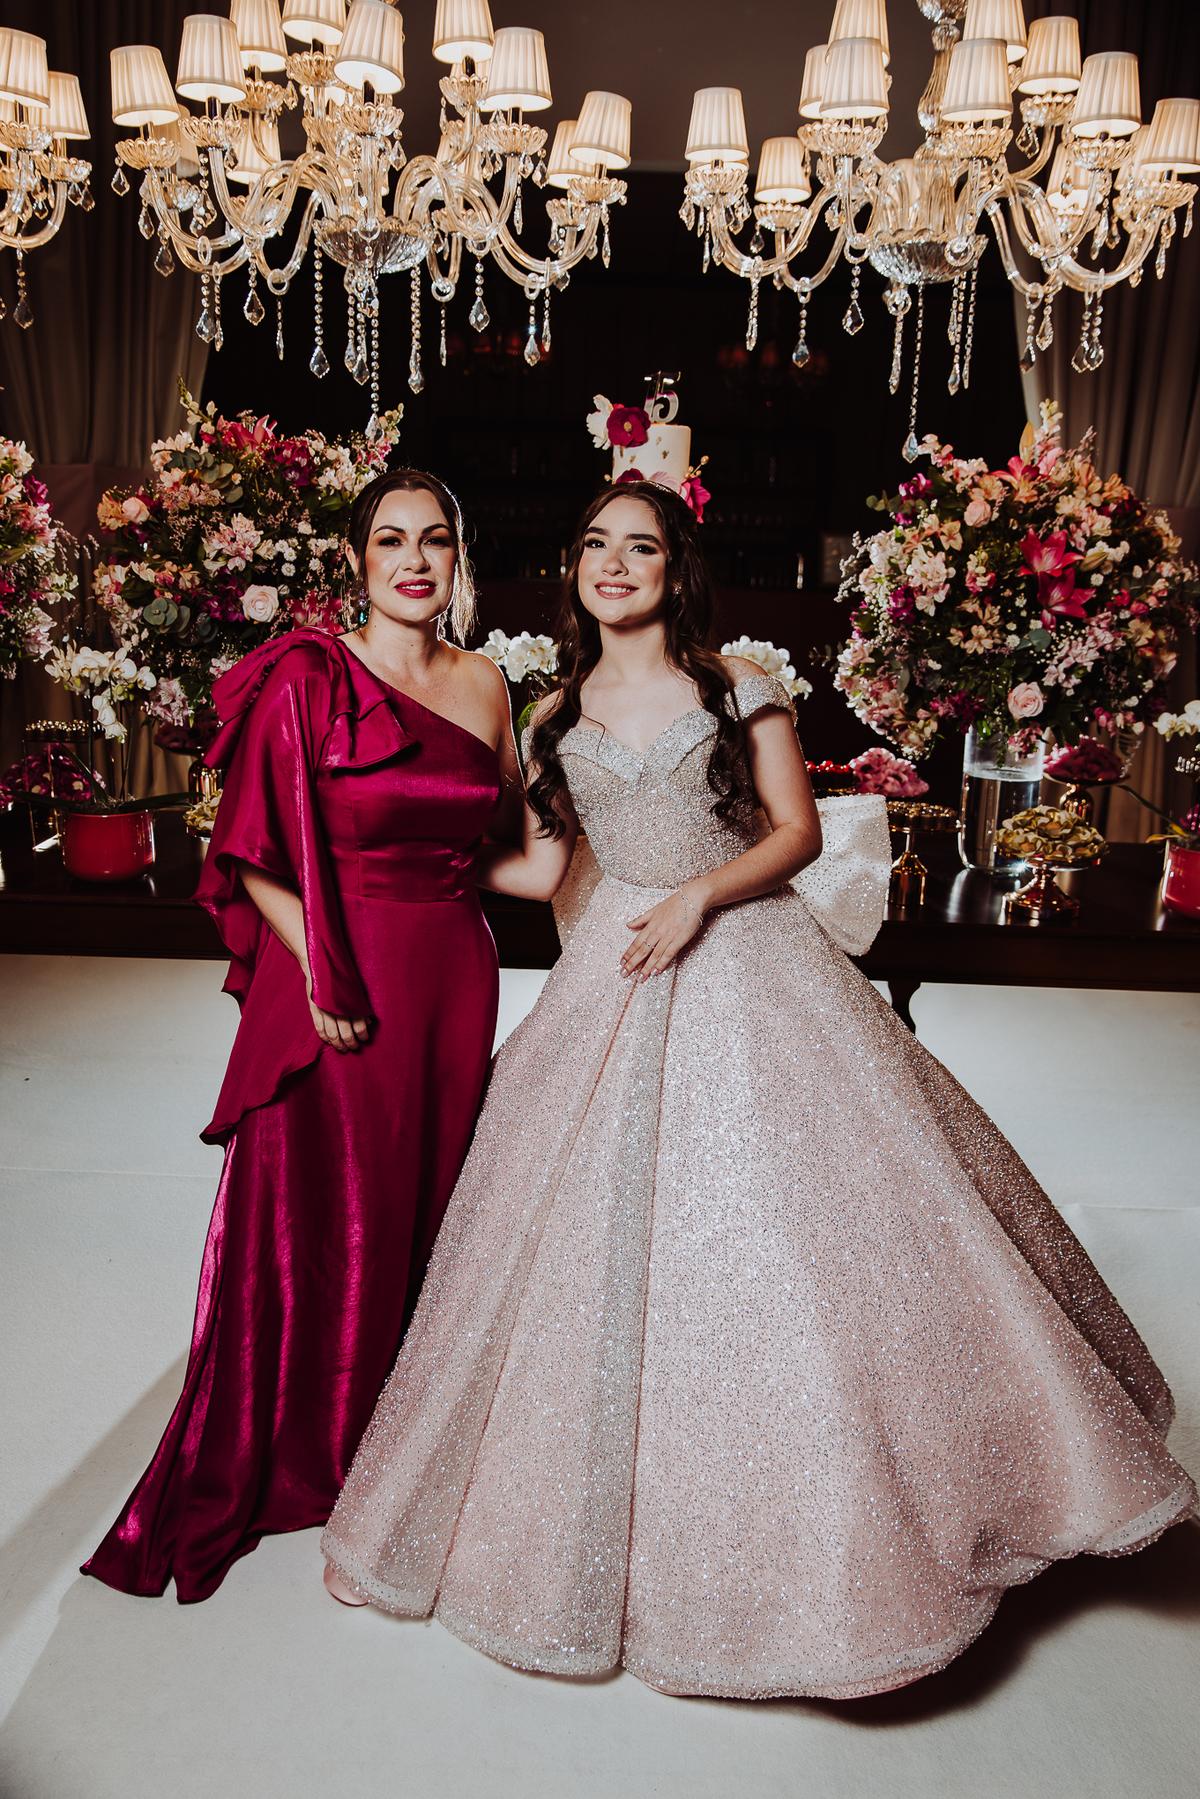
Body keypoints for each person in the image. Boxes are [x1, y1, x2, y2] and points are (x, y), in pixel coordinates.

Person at [321, 481, 1195, 1698]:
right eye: (595, 546)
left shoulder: (737, 684)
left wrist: (697, 895)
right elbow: (543, 866)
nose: (614, 565)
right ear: (572, 569)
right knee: (560, 1227)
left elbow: (794, 832)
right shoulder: (554, 713)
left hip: (742, 945)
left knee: (804, 1210)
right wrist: (387, 851)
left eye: (640, 548)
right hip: (616, 963)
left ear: (675, 570)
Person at [84, 469, 522, 1604]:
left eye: (435, 539)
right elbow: (248, 849)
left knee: (429, 1204)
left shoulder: (486, 684)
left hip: (453, 972)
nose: (414, 561)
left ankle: (397, 1445)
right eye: (391, 541)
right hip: (337, 967)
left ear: (459, 557)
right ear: (356, 561)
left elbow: (517, 855)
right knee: (328, 1205)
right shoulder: (308, 674)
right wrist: (324, 962)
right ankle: (310, 1441)